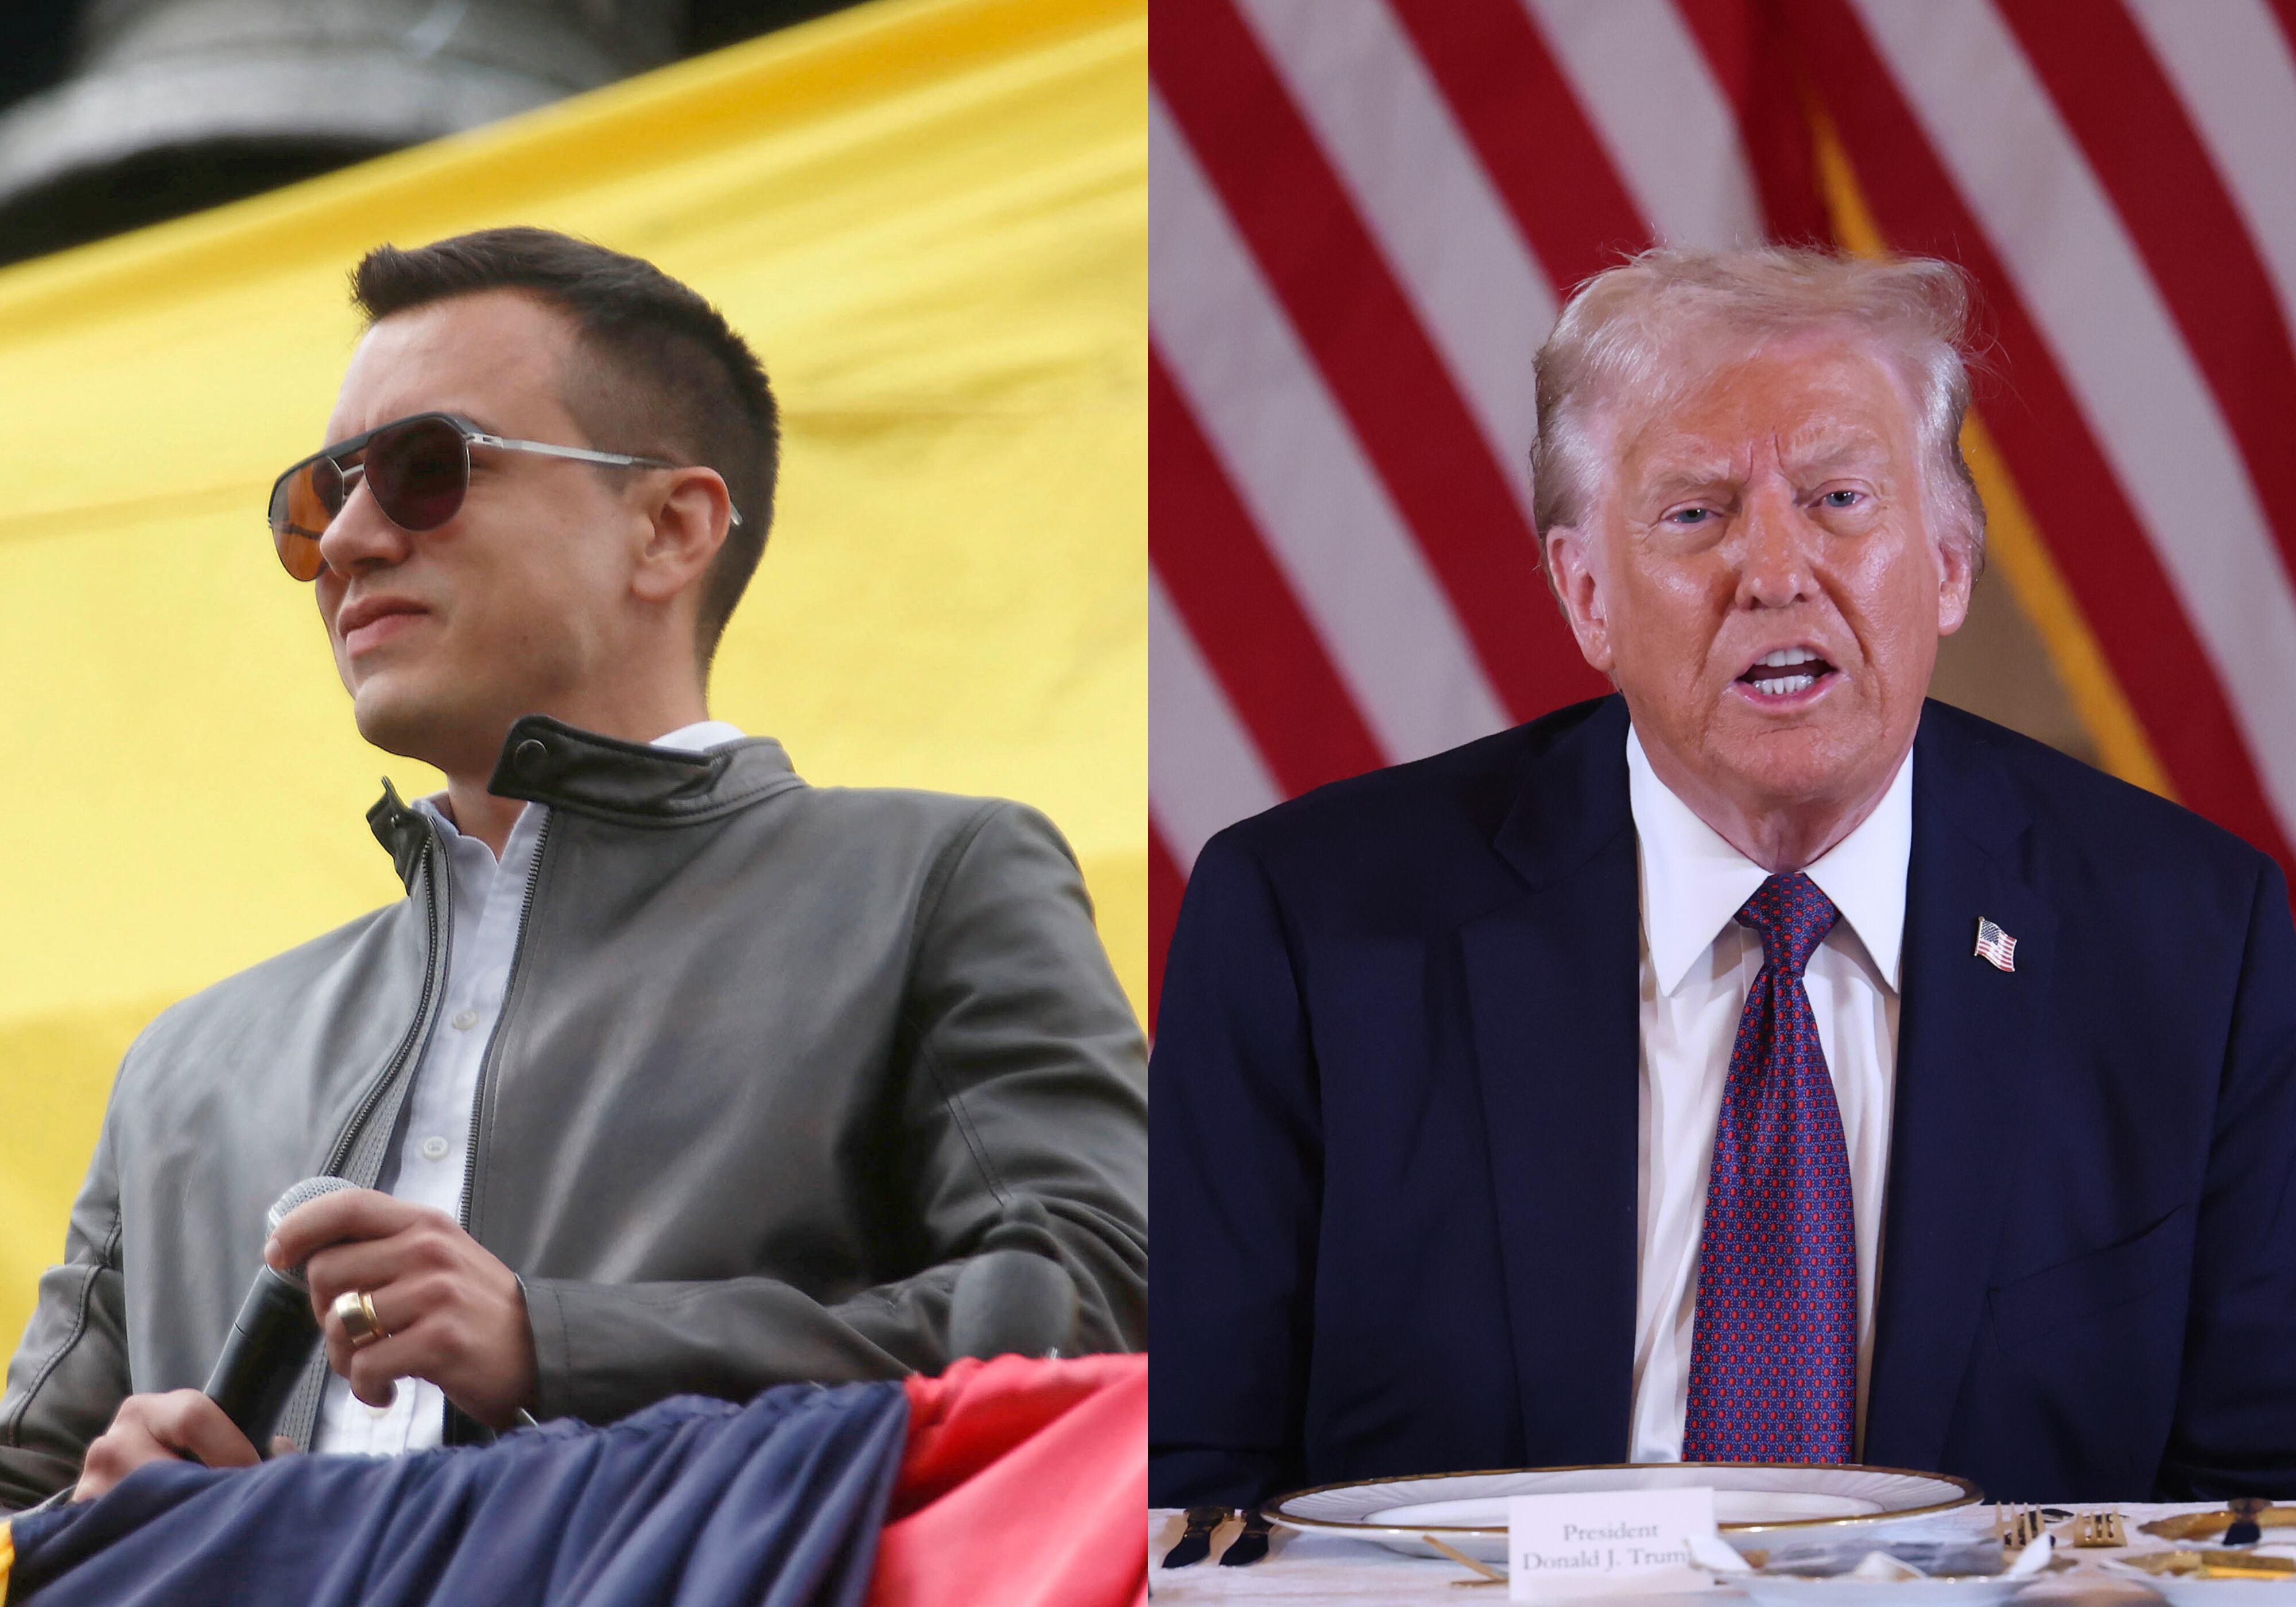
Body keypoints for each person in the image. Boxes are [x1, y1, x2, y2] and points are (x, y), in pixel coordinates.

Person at [0, 226, 1148, 1509]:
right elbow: (21, 1494)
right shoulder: (181, 1068)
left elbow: (1099, 1318)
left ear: (668, 526)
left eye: (425, 468)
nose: (346, 542)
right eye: (320, 496)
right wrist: (92, 1525)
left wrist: (553, 1342)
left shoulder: (930, 878)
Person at [1149, 247, 2296, 1506]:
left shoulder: (2192, 940)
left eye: (1839, 498)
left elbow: (2252, 1503)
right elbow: (1189, 1484)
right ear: (1586, 595)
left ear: (1949, 562)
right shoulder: (1308, 931)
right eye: (1695, 513)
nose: (1774, 571)